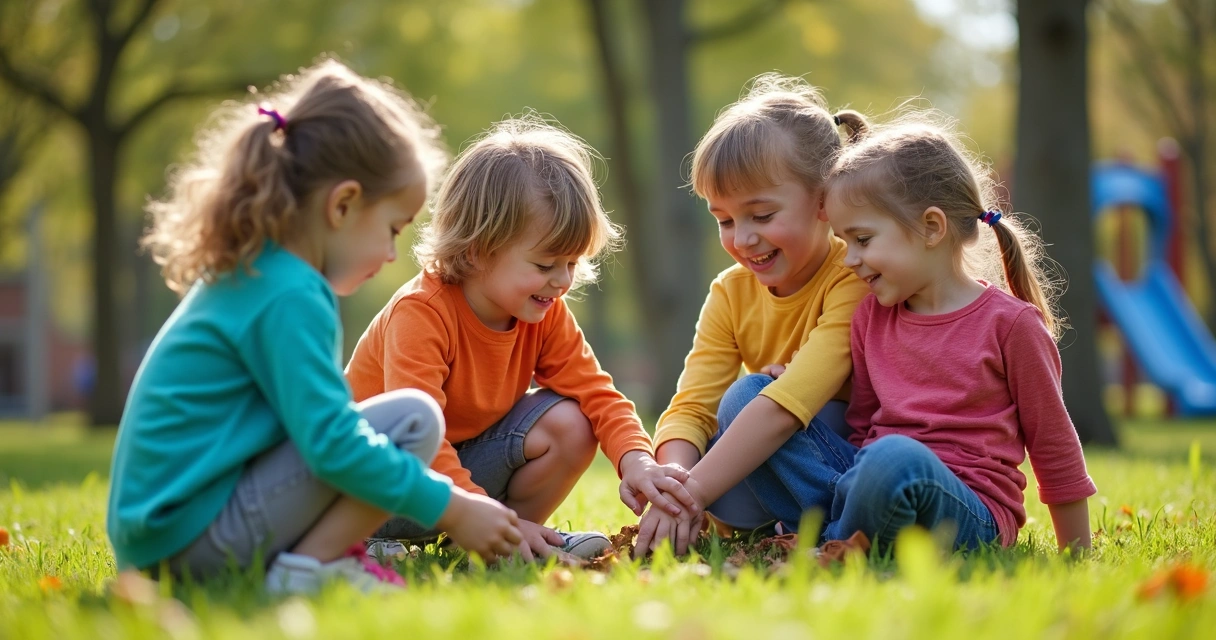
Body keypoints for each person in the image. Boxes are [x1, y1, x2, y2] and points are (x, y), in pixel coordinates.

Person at [107, 59, 524, 596]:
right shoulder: (293, 294)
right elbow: (332, 445)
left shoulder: (260, 272)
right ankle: (306, 570)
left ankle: (308, 561)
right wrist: (454, 509)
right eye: (392, 228)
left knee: (397, 419)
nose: (393, 252)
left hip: (163, 536)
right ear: (343, 204)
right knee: (414, 420)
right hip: (190, 541)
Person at [346, 115, 695, 562]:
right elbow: (420, 441)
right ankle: (406, 539)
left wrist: (636, 459)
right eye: (546, 264)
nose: (562, 281)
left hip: (458, 481)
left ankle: (502, 542)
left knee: (571, 421)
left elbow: (596, 392)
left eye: (571, 263)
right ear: (477, 250)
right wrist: (479, 511)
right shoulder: (422, 313)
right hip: (380, 488)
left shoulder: (541, 310)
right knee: (414, 451)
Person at [793, 112, 1096, 553]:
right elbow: (860, 429)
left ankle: (833, 548)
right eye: (844, 243)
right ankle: (846, 532)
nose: (849, 260)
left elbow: (1054, 447)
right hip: (878, 475)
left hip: (969, 512)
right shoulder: (871, 318)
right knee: (753, 397)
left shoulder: (1011, 326)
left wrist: (1078, 554)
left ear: (932, 228)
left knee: (894, 458)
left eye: (862, 240)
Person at [636, 74, 871, 556]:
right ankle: (786, 527)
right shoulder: (731, 292)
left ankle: (846, 526)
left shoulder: (854, 276)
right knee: (728, 425)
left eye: (761, 216)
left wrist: (693, 492)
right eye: (724, 220)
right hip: (773, 465)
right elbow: (692, 406)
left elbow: (789, 404)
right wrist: (675, 483)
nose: (742, 239)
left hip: (850, 460)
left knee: (747, 397)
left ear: (825, 199)